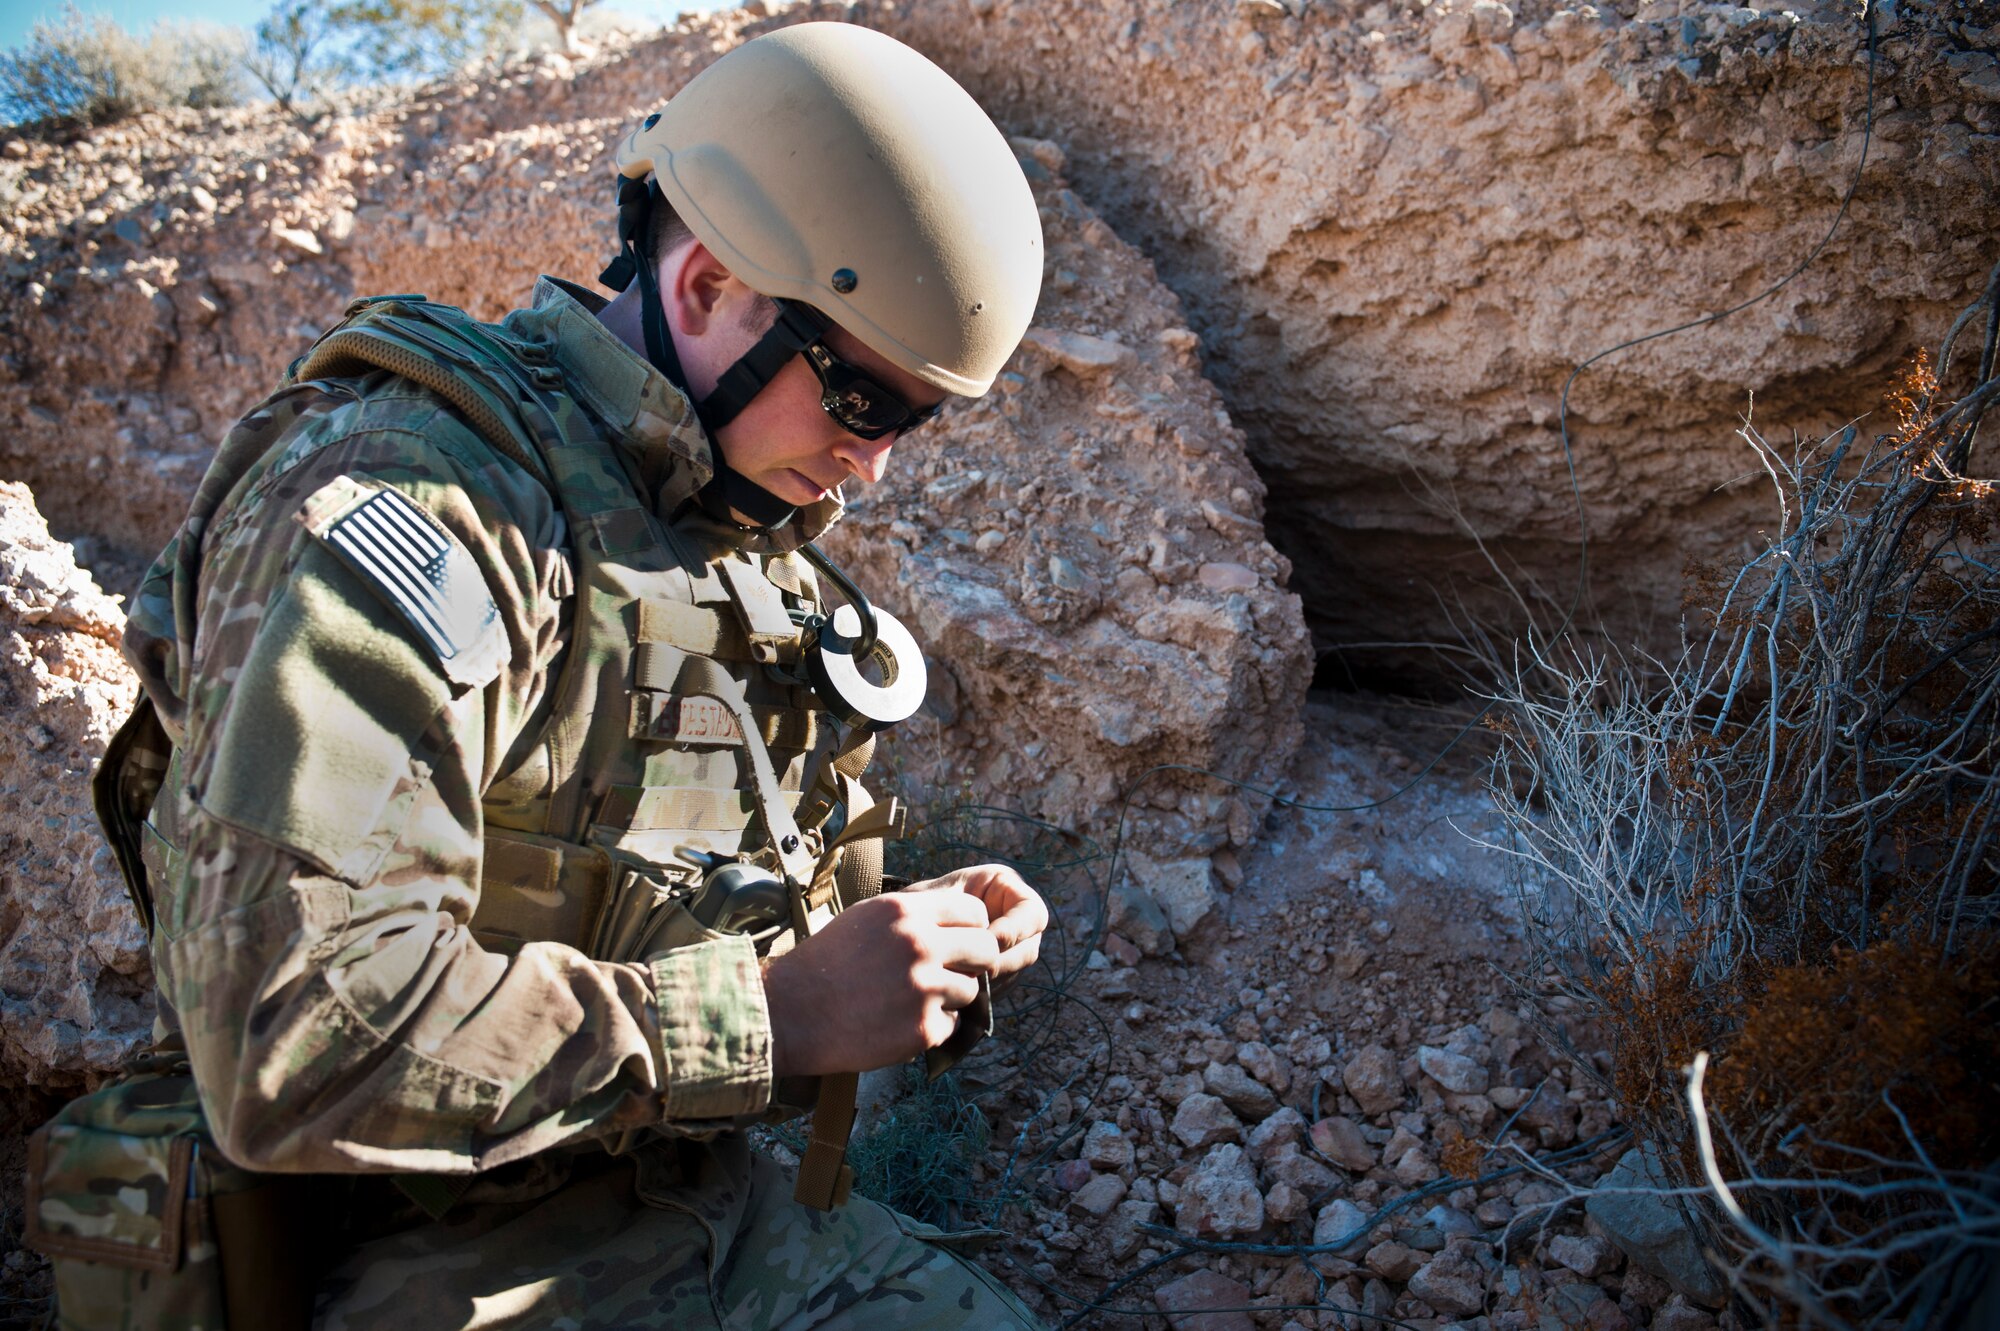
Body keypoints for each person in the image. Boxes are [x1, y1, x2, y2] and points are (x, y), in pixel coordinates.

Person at [88, 21, 1051, 1329]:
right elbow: (288, 1045)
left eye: (915, 420)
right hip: (416, 1259)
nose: (875, 464)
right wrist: (772, 1016)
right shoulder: (410, 516)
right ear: (710, 292)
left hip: (686, 1204)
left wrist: (899, 950)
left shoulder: (701, 512)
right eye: (862, 401)